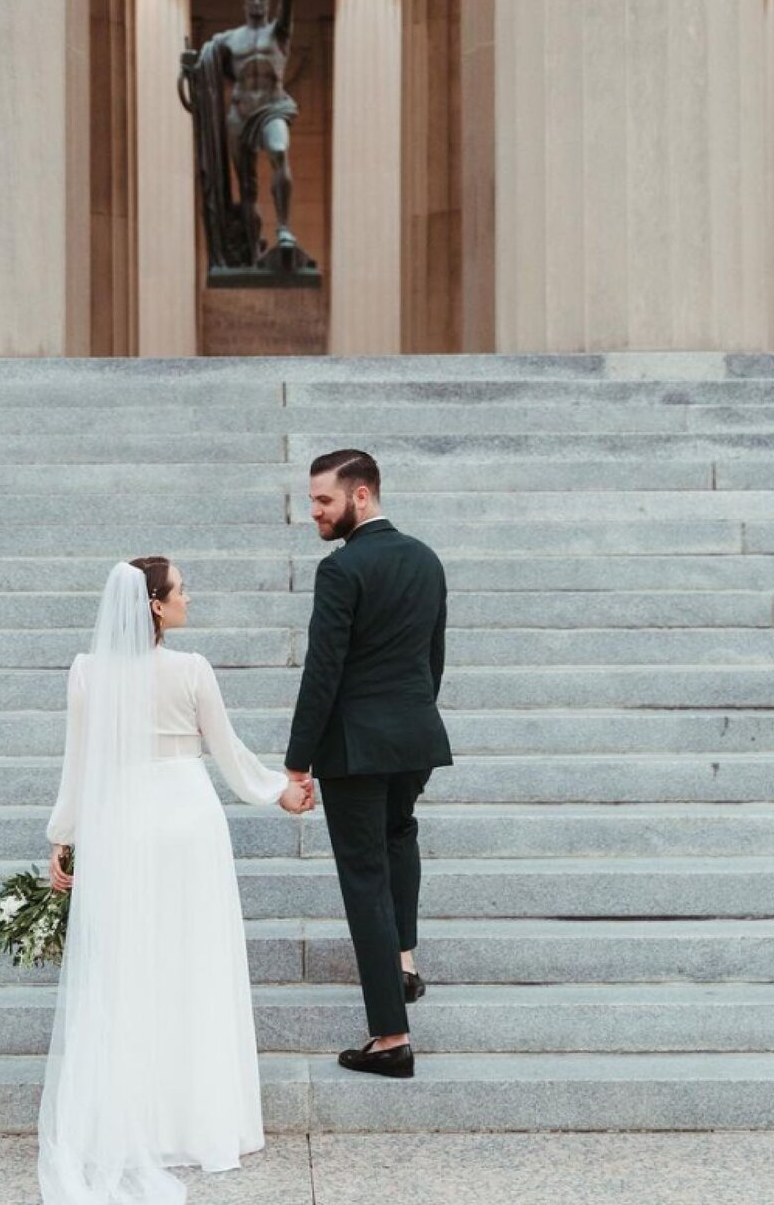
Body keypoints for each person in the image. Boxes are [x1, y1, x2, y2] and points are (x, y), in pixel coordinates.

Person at [37, 556, 312, 1204]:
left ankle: (132, 1118)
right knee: (195, 965)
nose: (191, 597)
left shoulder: (86, 673)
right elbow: (230, 755)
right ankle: (204, 1121)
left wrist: (62, 836)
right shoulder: (192, 672)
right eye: (183, 590)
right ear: (157, 606)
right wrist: (279, 790)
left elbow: (77, 767)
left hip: (121, 823)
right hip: (189, 823)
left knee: (128, 969)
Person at [285, 450, 452, 1078]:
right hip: (414, 736)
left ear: (360, 497)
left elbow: (321, 672)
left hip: (355, 748)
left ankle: (389, 1036)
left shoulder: (342, 570)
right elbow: (433, 657)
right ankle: (403, 965)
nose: (315, 513)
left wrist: (298, 761)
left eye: (323, 501)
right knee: (398, 839)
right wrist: (414, 720)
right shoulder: (425, 558)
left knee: (363, 878)